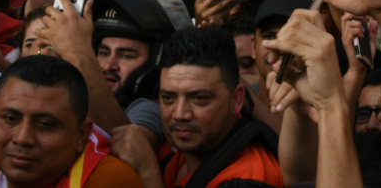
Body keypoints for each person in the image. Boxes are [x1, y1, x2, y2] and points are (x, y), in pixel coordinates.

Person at [109, 28, 282, 188]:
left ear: (236, 100)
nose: (179, 114)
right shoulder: (191, 143)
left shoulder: (248, 179)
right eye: (168, 98)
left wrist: (149, 173)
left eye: (199, 99)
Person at [0, 55, 143, 188]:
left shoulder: (107, 180)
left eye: (45, 124)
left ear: (81, 134)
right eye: (10, 119)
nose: (22, 138)